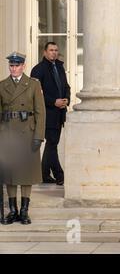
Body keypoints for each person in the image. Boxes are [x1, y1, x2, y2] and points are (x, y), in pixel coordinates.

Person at [0, 52, 46, 225]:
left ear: (23, 66)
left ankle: (24, 211)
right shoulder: (2, 85)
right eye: (11, 65)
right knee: (10, 174)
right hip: (8, 134)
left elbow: (41, 112)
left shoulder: (33, 84)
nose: (14, 68)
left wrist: (39, 136)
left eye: (17, 65)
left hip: (27, 133)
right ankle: (13, 211)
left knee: (26, 173)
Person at [31, 42, 70, 186]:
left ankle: (44, 174)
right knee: (52, 142)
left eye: (56, 50)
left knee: (52, 143)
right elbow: (36, 95)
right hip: (46, 113)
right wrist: (54, 102)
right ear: (44, 52)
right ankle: (59, 175)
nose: (54, 52)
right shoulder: (38, 70)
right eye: (51, 50)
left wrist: (67, 99)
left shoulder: (60, 67)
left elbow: (66, 86)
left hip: (60, 113)